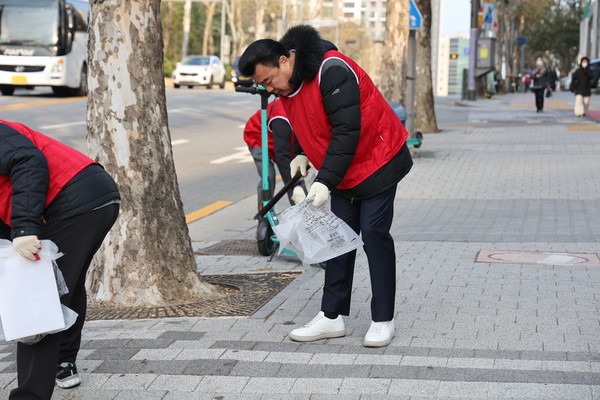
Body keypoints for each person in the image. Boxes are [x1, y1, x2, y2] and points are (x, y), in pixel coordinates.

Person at [238, 25, 413, 347]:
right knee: (337, 241)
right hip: (345, 171)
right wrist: (303, 154)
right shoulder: (290, 87)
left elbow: (346, 130)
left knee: (374, 235)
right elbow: (316, 122)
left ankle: (382, 319)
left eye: (268, 81)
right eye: (262, 86)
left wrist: (324, 181)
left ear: (284, 61)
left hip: (379, 160)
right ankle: (331, 316)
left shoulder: (331, 70)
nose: (269, 89)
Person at [0, 119, 120, 399]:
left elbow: (28, 160)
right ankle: (63, 363)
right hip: (96, 197)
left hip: (72, 199)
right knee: (66, 284)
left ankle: (30, 394)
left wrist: (25, 227)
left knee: (39, 298)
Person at [243, 97, 306, 206]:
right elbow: (282, 156)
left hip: (283, 140)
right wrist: (296, 184)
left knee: (294, 172)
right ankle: (264, 219)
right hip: (259, 137)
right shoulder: (281, 116)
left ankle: (304, 214)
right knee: (268, 177)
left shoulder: (305, 109)